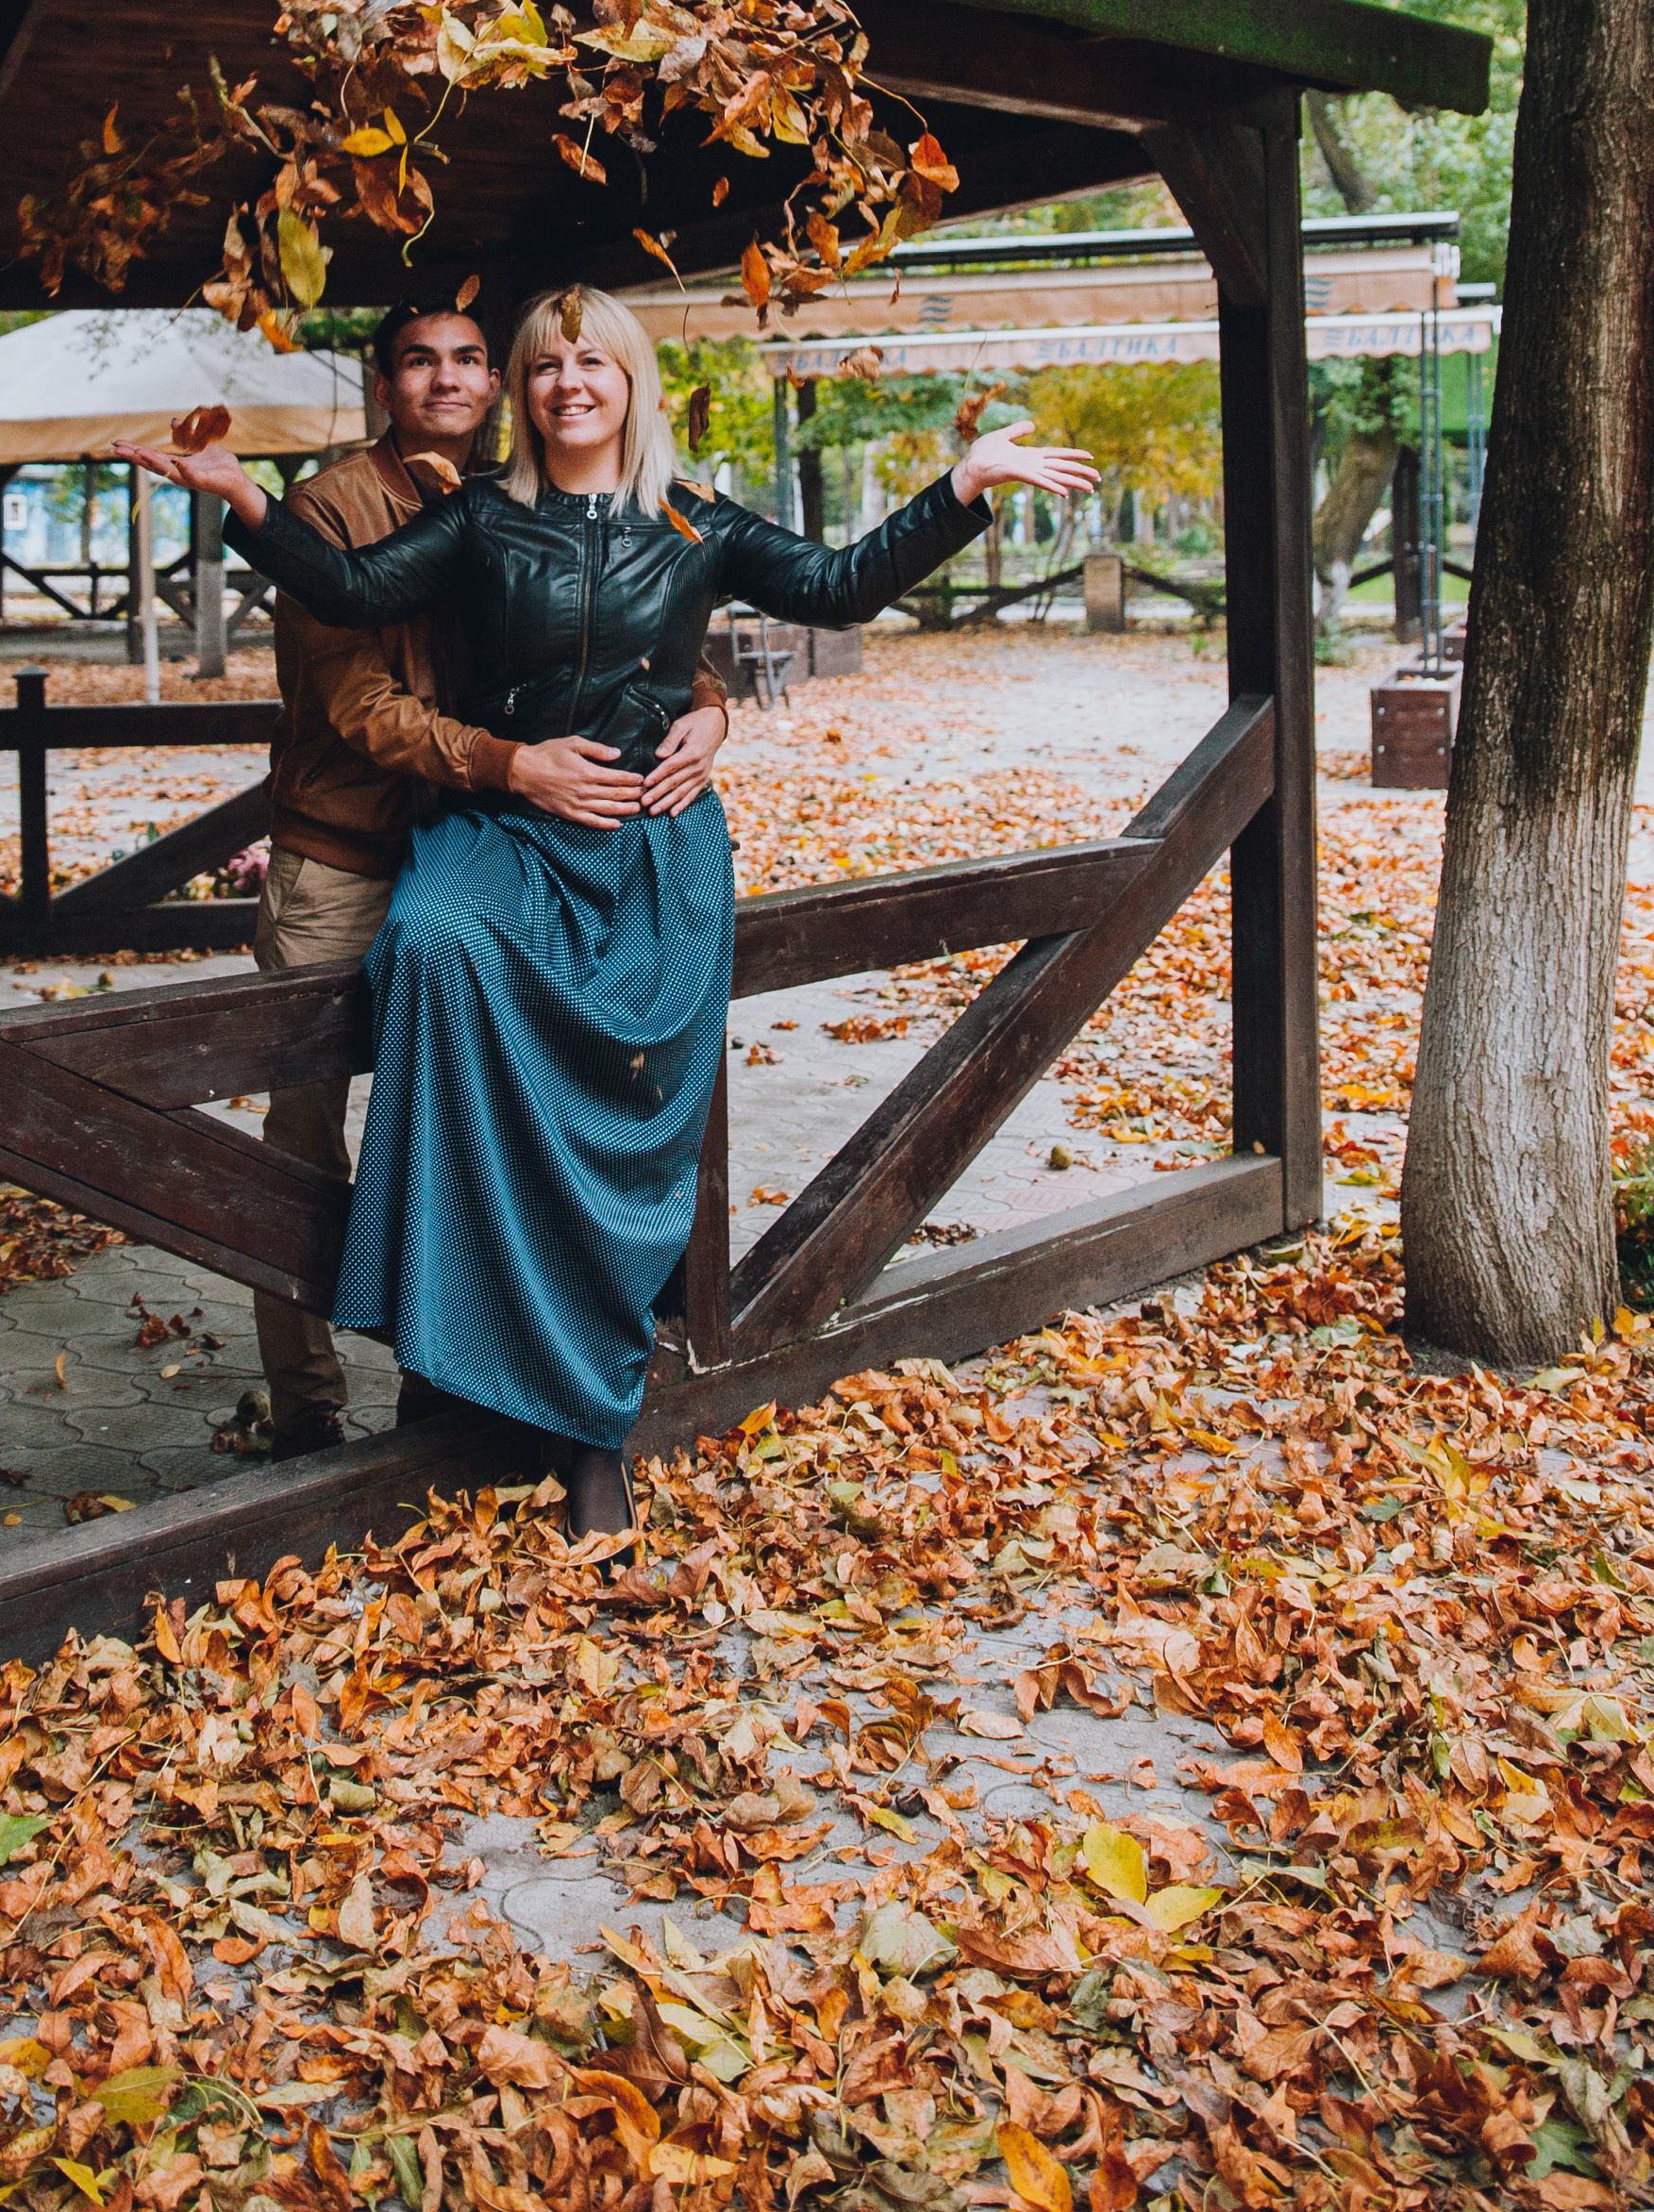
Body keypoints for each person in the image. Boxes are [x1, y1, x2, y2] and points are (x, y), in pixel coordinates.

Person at [128, 285, 1095, 1538]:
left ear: (631, 382)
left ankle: (591, 1419)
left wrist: (958, 487)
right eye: (544, 366)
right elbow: (353, 591)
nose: (567, 382)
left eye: (593, 361)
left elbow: (837, 583)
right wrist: (247, 498)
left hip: (643, 845)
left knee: (626, 1104)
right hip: (499, 834)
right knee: (430, 947)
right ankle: (443, 1356)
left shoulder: (689, 520)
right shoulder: (478, 516)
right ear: (520, 394)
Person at [251, 288, 731, 1458]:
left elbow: (629, 640)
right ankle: (308, 1409)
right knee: (306, 1143)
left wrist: (710, 712)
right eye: (419, 362)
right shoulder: (333, 509)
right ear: (384, 385)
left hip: (490, 854)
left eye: (471, 357)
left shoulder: (514, 501)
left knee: (499, 1103)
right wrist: (512, 766)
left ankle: (460, 1374)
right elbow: (363, 705)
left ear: (498, 381)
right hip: (351, 853)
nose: (448, 380)